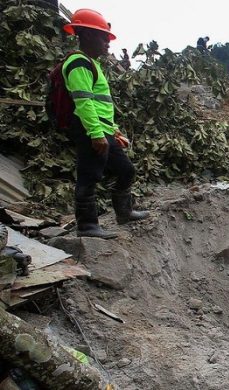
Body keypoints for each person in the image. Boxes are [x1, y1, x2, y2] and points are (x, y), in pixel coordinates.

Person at [61, 9, 149, 239]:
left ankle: (124, 211)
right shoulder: (78, 63)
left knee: (126, 170)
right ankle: (87, 226)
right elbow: (84, 102)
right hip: (89, 128)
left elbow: (100, 105)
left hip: (102, 128)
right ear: (88, 35)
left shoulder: (92, 64)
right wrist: (96, 133)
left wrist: (114, 131)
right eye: (104, 37)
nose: (108, 43)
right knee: (89, 175)